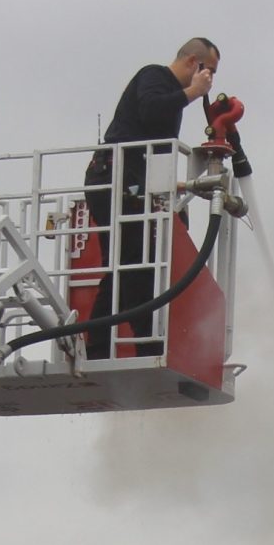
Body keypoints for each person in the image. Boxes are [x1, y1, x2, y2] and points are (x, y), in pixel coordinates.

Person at [85, 37, 219, 358]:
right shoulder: (154, 76)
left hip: (133, 182)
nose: (210, 79)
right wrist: (193, 93)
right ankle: (135, 343)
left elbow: (157, 151)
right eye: (208, 71)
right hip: (115, 177)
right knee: (129, 264)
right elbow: (149, 108)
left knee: (131, 265)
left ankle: (123, 343)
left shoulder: (172, 99)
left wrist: (175, 206)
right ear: (192, 62)